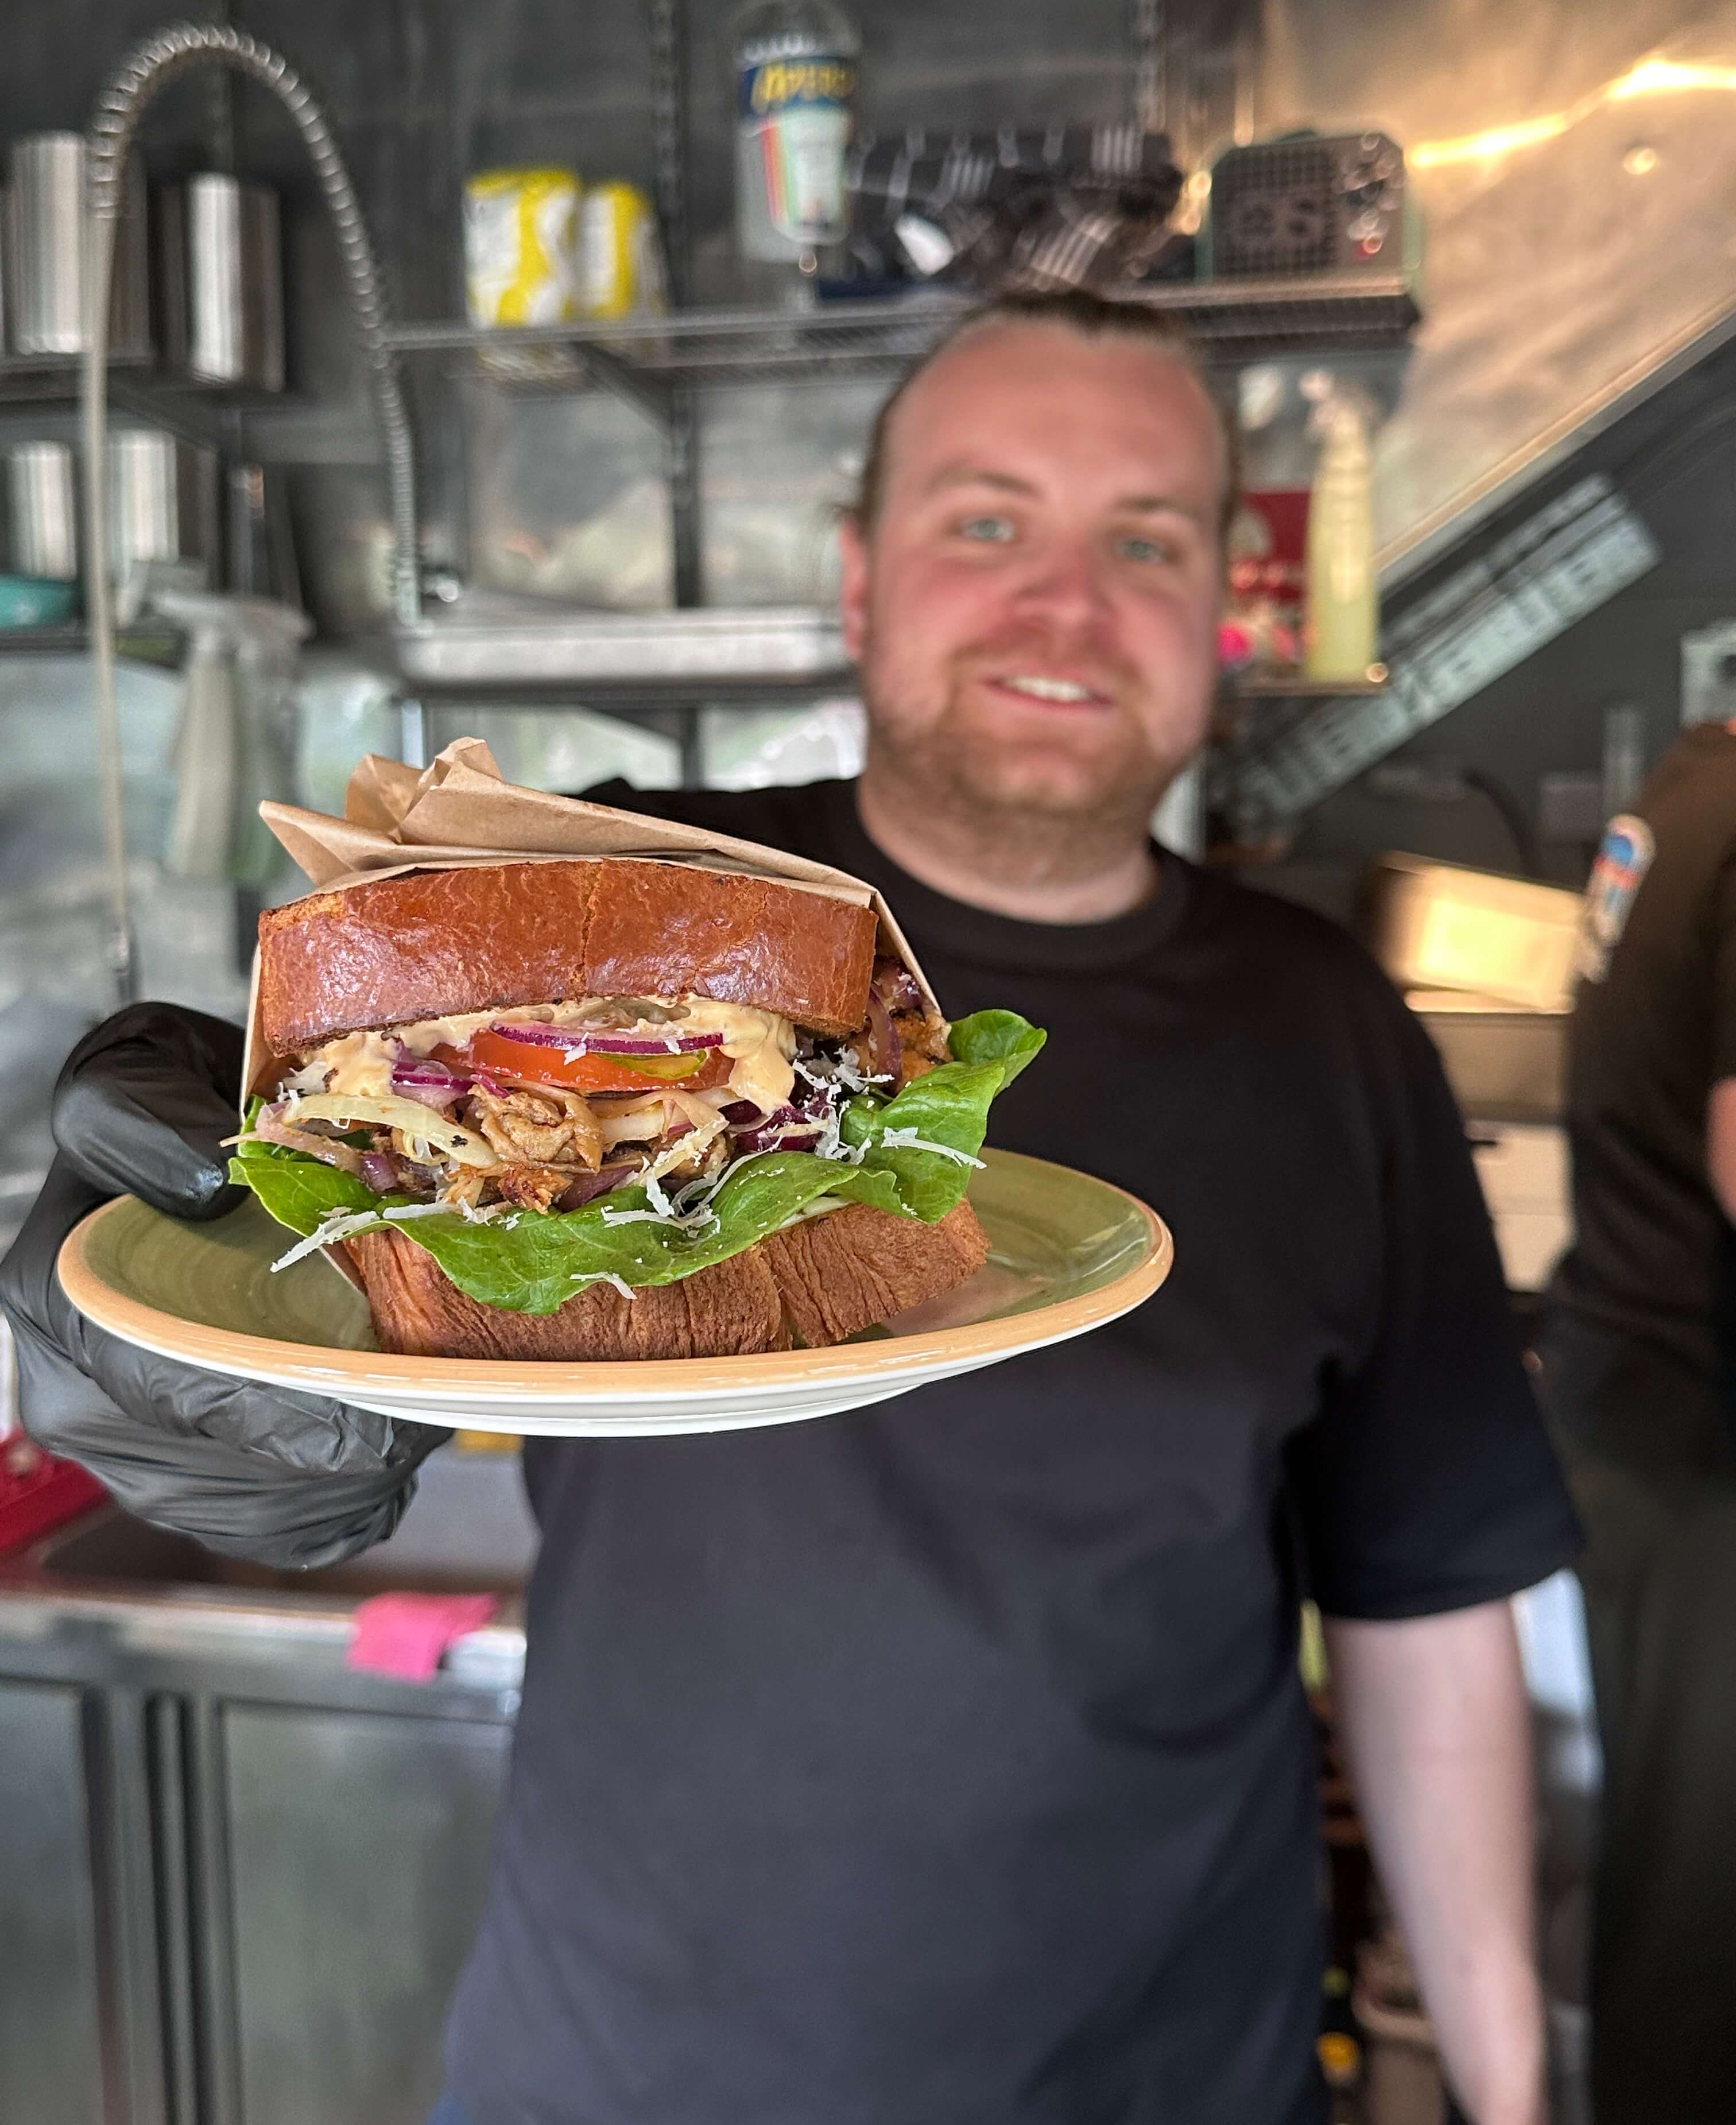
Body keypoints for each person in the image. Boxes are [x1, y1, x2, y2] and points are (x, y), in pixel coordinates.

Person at [3, 291, 1578, 2125]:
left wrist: (1506, 2089)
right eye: (985, 520)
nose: (1063, 604)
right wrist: (168, 1298)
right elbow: (316, 1201)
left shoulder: (1330, 1025)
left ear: (1221, 604)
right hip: (628, 2068)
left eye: (1143, 540)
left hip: (1176, 2072)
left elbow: (1425, 1603)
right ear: (857, 578)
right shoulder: (589, 885)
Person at [1540, 724, 1736, 2125]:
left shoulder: (1697, 781)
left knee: (1680, 1904)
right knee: (1707, 1936)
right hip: (1710, 1455)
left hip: (1644, 1410)